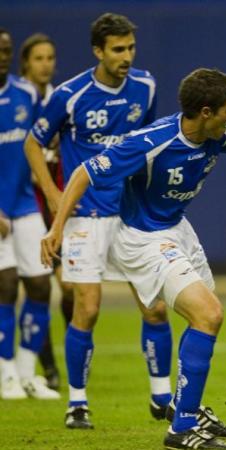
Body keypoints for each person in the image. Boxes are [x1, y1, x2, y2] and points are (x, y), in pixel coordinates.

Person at [41, 67, 226, 450]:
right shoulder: (151, 141)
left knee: (205, 318)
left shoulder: (220, 134)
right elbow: (83, 174)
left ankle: (184, 407)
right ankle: (181, 429)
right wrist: (57, 227)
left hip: (177, 229)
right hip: (143, 238)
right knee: (208, 314)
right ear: (205, 112)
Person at [24, 13, 172, 429]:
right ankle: (77, 403)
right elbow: (33, 144)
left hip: (130, 215)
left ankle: (161, 398)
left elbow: (147, 143)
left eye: (131, 48)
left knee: (155, 307)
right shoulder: (69, 95)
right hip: (85, 217)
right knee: (86, 308)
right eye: (118, 50)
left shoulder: (145, 87)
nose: (127, 57)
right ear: (98, 51)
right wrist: (54, 196)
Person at [0, 27, 59, 401]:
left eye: (6, 49)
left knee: (40, 286)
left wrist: (51, 193)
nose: (3, 55)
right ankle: (4, 374)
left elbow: (39, 144)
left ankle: (25, 374)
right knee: (5, 286)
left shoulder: (26, 95)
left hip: (24, 204)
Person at [19, 31, 67, 391]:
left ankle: (71, 343)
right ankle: (45, 366)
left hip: (56, 203)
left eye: (50, 57)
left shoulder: (60, 100)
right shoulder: (16, 100)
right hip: (25, 203)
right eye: (39, 58)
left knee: (68, 288)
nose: (46, 64)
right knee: (37, 287)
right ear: (26, 64)